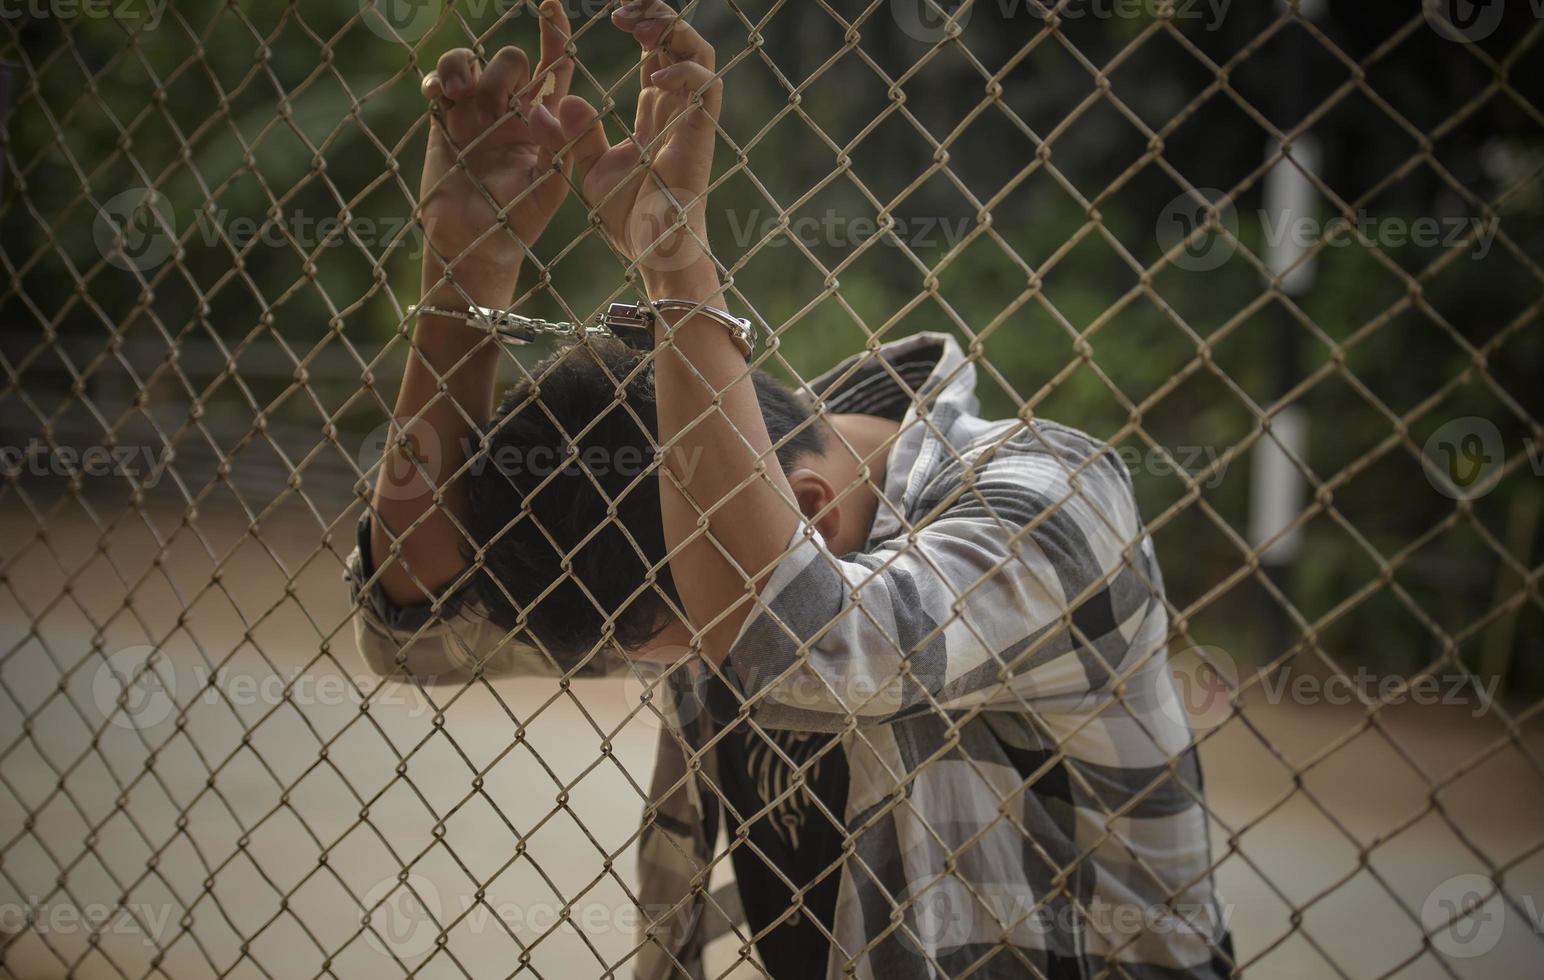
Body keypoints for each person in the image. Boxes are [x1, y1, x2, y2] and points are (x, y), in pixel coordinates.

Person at [348, 1, 1233, 976]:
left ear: (808, 512)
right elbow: (419, 622)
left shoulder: (1048, 497)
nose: (689, 662)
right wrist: (466, 263)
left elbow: (808, 640)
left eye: (687, 637)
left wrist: (677, 264)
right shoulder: (700, 515)